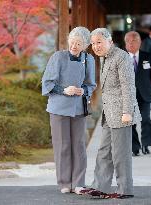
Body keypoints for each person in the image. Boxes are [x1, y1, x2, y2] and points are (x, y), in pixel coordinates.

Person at [80, 28, 141, 199]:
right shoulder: (105, 57)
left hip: (122, 113)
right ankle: (100, 186)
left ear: (110, 41)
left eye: (99, 42)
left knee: (120, 153)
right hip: (109, 114)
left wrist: (127, 111)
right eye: (93, 43)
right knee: (104, 150)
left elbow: (128, 86)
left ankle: (125, 189)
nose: (95, 46)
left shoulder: (121, 57)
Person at [41, 27, 96, 194]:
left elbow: (91, 84)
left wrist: (83, 91)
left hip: (78, 108)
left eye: (78, 43)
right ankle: (64, 182)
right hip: (58, 108)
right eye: (72, 42)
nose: (74, 46)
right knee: (62, 146)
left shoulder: (89, 59)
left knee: (79, 145)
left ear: (85, 45)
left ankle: (79, 182)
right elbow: (47, 83)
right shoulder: (58, 57)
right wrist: (64, 90)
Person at [124, 31, 151, 156]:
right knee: (131, 122)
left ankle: (146, 144)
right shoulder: (121, 57)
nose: (131, 44)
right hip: (128, 95)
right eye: (128, 41)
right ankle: (135, 147)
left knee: (146, 119)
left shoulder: (147, 56)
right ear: (125, 43)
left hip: (145, 93)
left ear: (140, 43)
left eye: (134, 41)